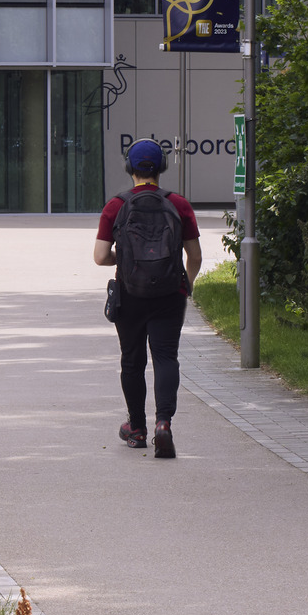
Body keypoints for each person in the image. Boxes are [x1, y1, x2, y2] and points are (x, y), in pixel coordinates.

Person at [94, 138, 201, 459]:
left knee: (132, 360)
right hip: (170, 293)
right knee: (165, 358)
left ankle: (136, 429)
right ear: (162, 168)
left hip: (130, 294)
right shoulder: (178, 204)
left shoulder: (116, 205)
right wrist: (188, 282)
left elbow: (100, 257)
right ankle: (164, 424)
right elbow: (194, 255)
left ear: (129, 168)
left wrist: (126, 259)